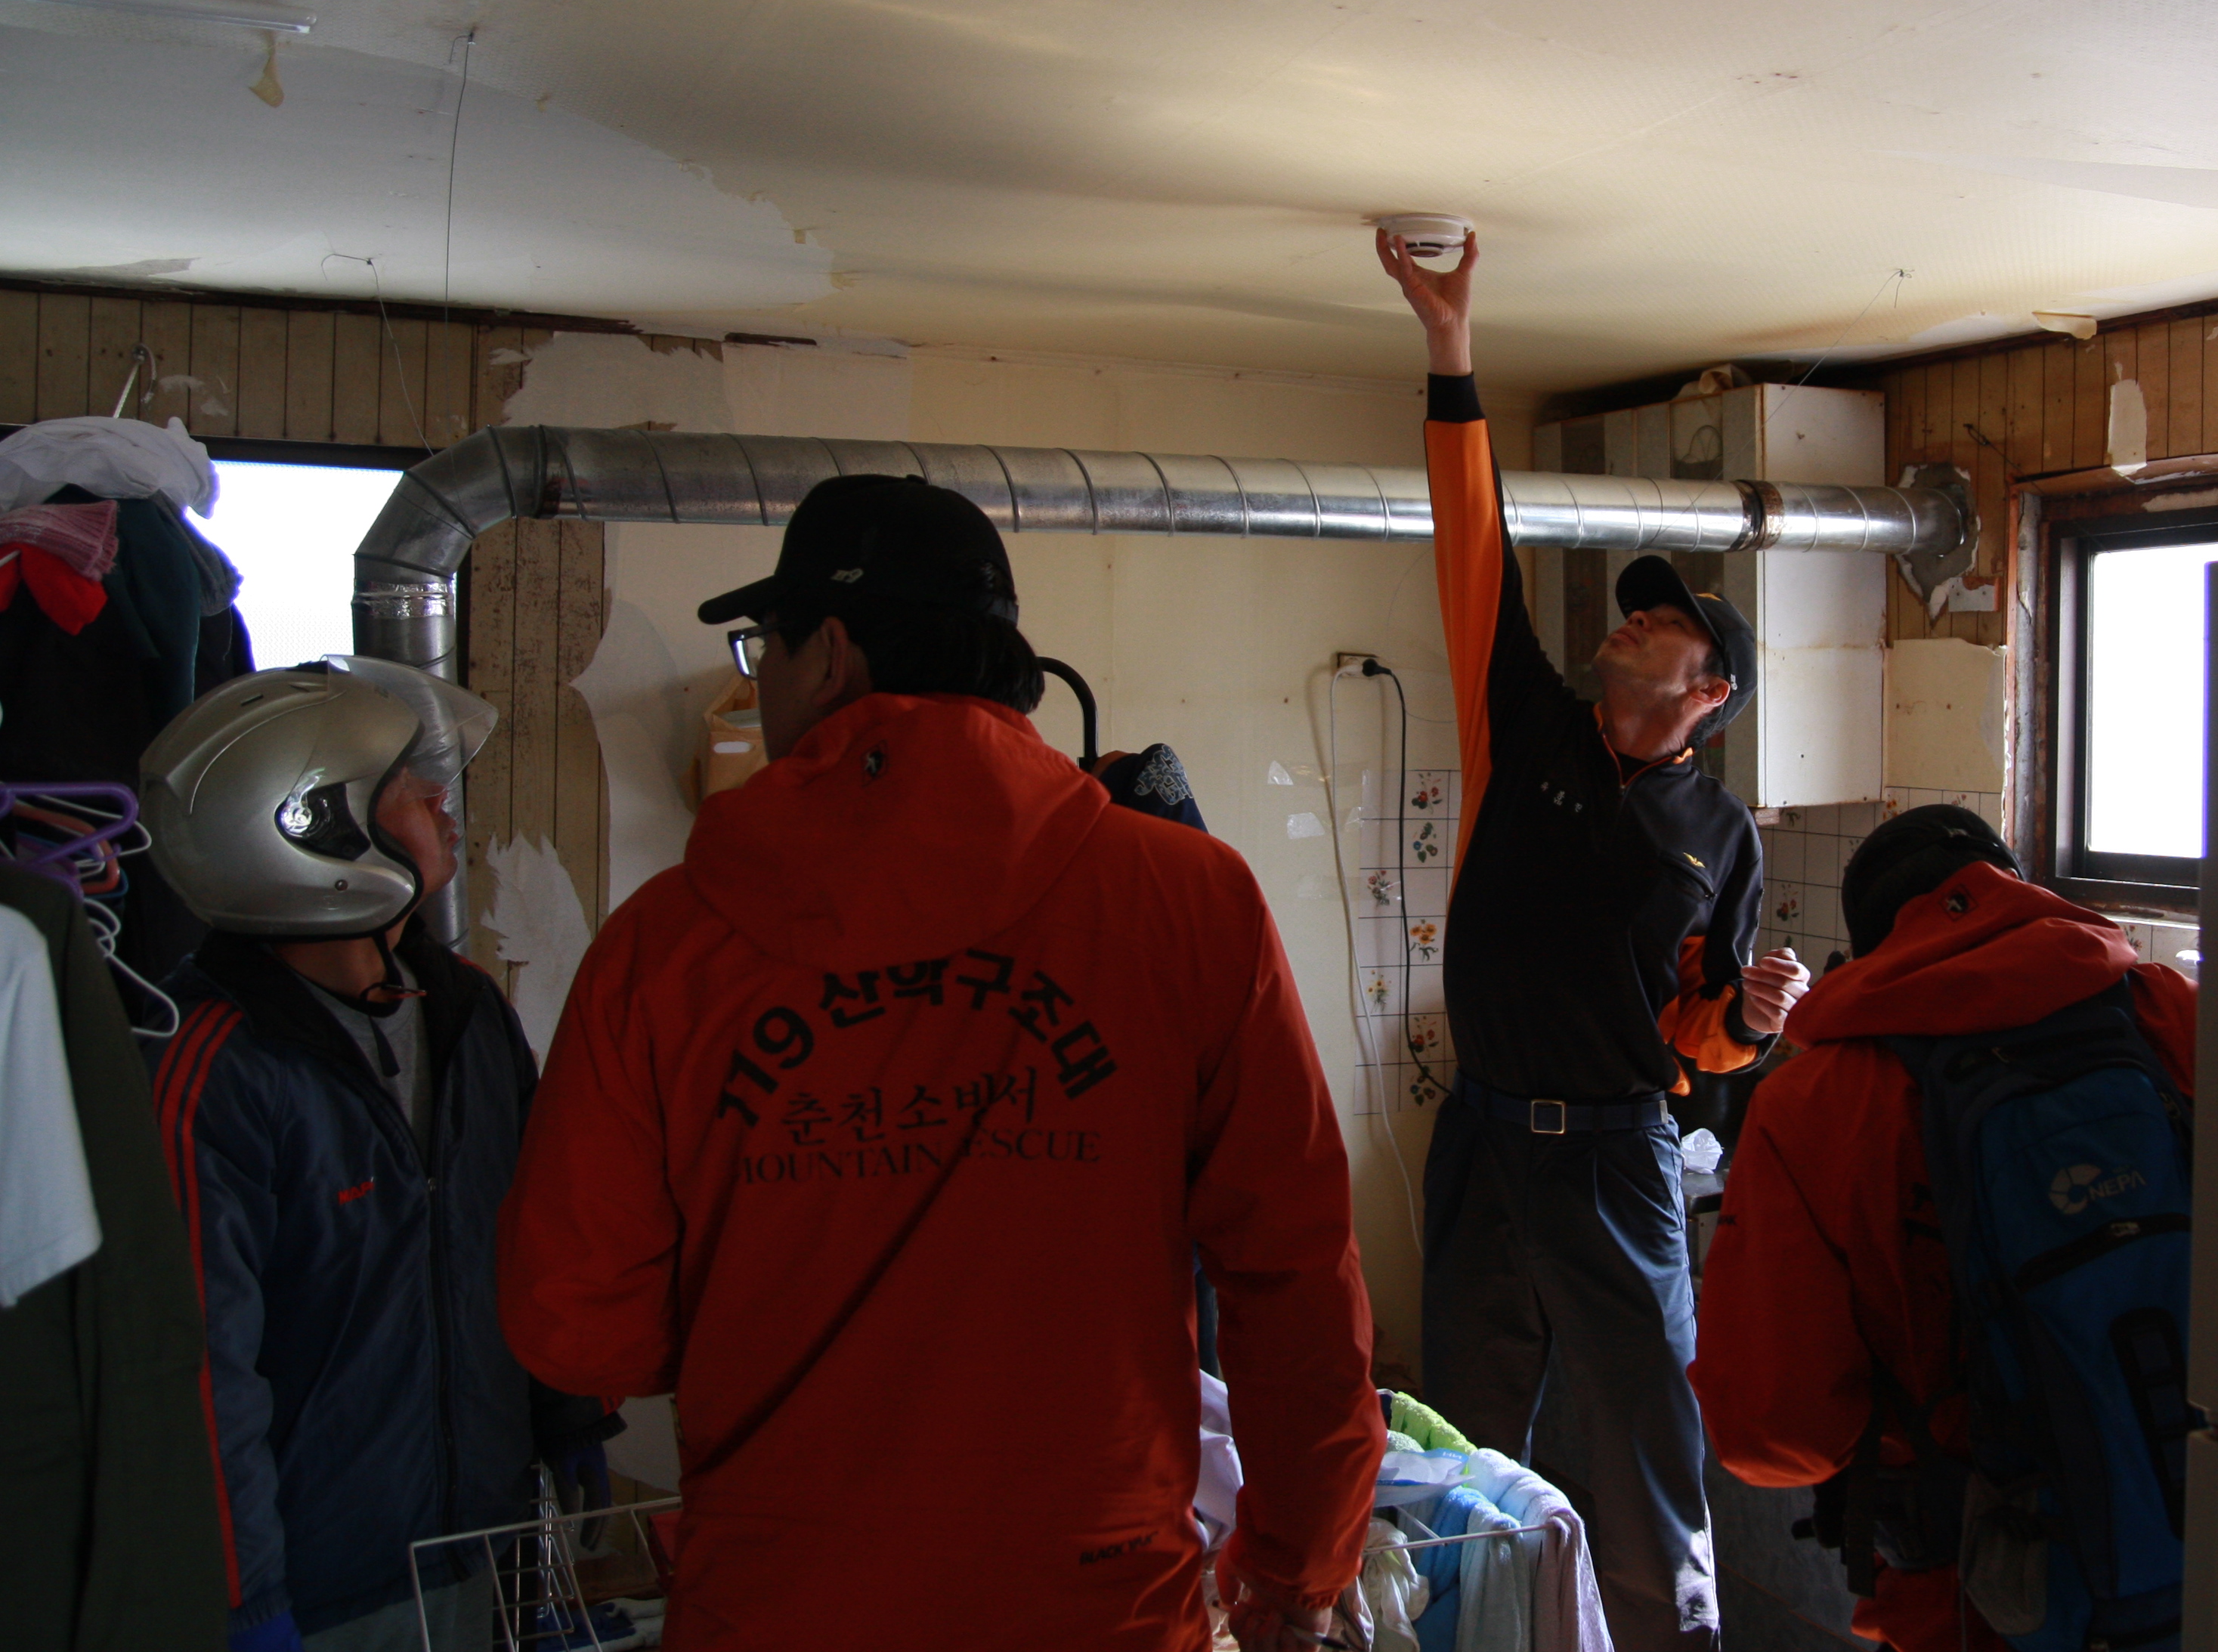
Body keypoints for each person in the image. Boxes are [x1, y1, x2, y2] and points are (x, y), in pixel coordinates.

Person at [496, 474, 1387, 1652]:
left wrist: (768, 1292)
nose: (760, 684)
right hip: (1097, 1605)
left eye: (765, 650)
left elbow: (575, 1324)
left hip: (779, 1603)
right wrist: (1298, 1563)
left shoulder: (661, 949)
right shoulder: (1190, 902)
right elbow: (1295, 1275)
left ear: (832, 655)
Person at [1381, 227, 1812, 1650]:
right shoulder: (1526, 728)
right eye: (1634, 611)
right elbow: (1473, 546)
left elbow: (1698, 1032)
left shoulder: (1717, 835)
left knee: (1639, 1446)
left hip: (1618, 1157)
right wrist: (1451, 348)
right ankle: (1461, 1629)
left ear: (1711, 690)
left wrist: (1752, 1019)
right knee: (1459, 1434)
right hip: (1485, 1134)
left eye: (1665, 622)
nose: (1631, 625)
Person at [138, 658, 618, 1652]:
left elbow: (533, 1234)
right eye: (406, 785)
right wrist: (241, 1596)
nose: (443, 802)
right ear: (311, 828)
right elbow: (194, 1365)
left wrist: (567, 1411)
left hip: (482, 1542)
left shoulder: (465, 1010)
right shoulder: (213, 1065)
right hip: (324, 1587)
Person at [1687, 806, 2198, 1651]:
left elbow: (1773, 1434)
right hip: (2216, 1545)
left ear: (1873, 947)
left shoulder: (1819, 1102)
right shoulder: (2169, 1014)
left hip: (1978, 1595)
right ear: (2016, 891)